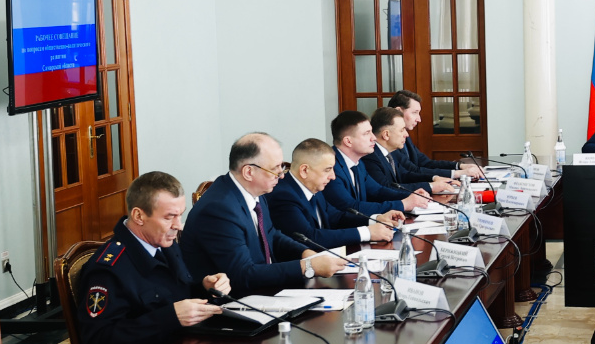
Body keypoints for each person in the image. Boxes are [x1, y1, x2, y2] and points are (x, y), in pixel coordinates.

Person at [80, 172, 232, 344]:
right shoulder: (108, 270)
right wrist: (170, 317)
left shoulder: (163, 243)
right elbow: (99, 343)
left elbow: (175, 293)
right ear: (139, 216)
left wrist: (205, 288)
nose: (178, 225)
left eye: (180, 215)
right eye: (169, 217)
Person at [180, 132, 347, 295]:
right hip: (234, 301)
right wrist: (307, 267)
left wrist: (305, 253)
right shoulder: (218, 209)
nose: (282, 176)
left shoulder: (255, 192)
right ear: (248, 172)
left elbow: (272, 236)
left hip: (263, 291)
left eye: (282, 167)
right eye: (275, 169)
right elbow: (242, 275)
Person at [267, 138, 402, 250]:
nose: (333, 176)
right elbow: (310, 237)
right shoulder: (283, 195)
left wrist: (375, 219)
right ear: (304, 170)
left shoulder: (313, 187)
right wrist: (366, 233)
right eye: (327, 170)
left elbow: (336, 217)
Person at [324, 110, 429, 218]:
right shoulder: (330, 168)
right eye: (367, 133)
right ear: (348, 141)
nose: (373, 138)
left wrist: (412, 196)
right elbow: (350, 207)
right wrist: (403, 204)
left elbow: (378, 191)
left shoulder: (358, 163)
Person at [386, 90, 480, 178]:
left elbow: (425, 163)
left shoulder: (406, 136)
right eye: (414, 113)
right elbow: (411, 170)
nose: (419, 119)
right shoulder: (389, 139)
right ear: (399, 111)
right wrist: (458, 173)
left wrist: (459, 166)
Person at [365, 107, 457, 193]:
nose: (406, 134)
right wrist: (431, 186)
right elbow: (386, 189)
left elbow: (404, 175)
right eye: (402, 130)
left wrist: (434, 178)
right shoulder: (370, 156)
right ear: (386, 135)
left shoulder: (390, 151)